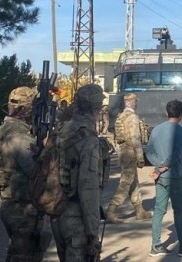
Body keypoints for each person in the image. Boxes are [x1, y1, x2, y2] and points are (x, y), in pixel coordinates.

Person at [0, 86, 50, 262]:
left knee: (17, 252)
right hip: (22, 209)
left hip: (7, 202)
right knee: (25, 256)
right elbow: (38, 173)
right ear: (27, 109)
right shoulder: (20, 138)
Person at [51, 84, 105, 261]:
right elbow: (88, 189)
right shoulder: (88, 139)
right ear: (95, 108)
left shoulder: (60, 130)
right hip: (76, 217)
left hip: (57, 212)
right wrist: (92, 234)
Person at [146, 99, 182, 257]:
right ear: (181, 114)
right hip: (175, 176)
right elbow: (177, 153)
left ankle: (155, 245)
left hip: (160, 176)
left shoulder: (156, 129)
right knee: (179, 211)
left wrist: (158, 166)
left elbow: (149, 151)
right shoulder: (181, 131)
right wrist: (165, 165)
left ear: (166, 113)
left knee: (159, 210)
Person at [107, 93, 152, 223]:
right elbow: (135, 138)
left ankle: (139, 210)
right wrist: (140, 157)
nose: (136, 104)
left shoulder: (121, 116)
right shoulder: (132, 117)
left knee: (133, 181)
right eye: (135, 102)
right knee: (126, 181)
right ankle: (112, 209)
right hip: (130, 151)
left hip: (123, 151)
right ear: (133, 103)